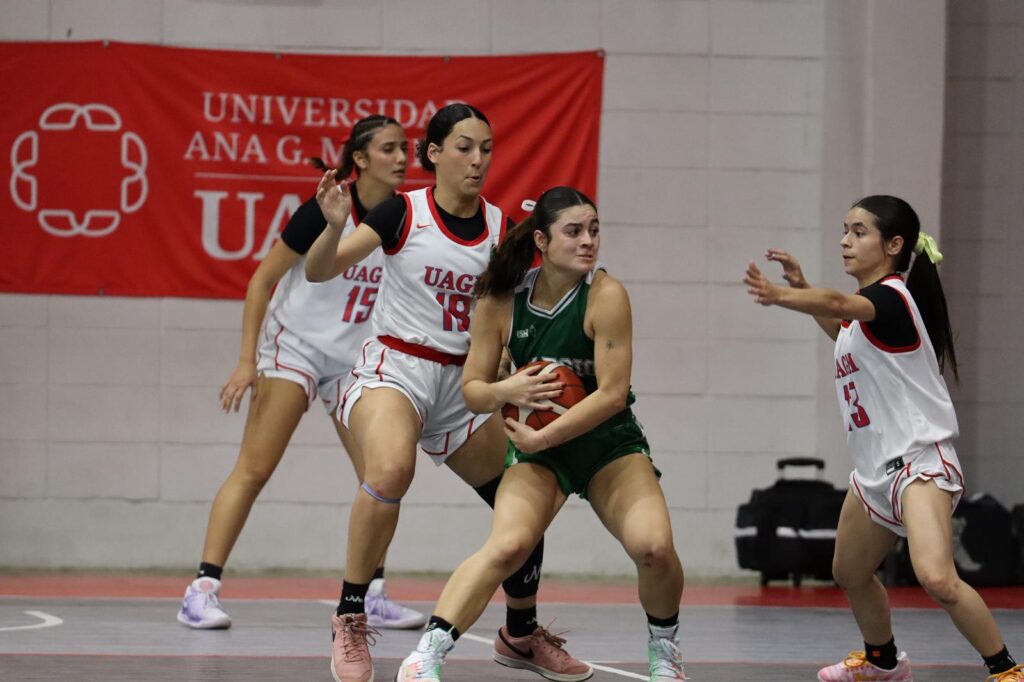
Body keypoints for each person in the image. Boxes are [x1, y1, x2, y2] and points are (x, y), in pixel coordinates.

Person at [307, 104, 589, 682]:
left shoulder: (498, 225)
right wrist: (333, 224)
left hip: (465, 383)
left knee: (526, 499)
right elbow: (319, 270)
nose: (477, 159)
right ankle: (350, 615)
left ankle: (519, 633)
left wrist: (516, 378)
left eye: (486, 148)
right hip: (397, 368)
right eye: (464, 147)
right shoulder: (400, 213)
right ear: (433, 154)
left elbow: (506, 316)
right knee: (389, 471)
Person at [395, 186, 687, 682]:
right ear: (542, 240)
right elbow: (472, 392)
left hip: (605, 445)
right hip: (537, 451)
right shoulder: (501, 302)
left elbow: (613, 395)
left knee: (654, 548)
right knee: (507, 547)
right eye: (574, 231)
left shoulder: (606, 294)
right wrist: (507, 387)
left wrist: (542, 439)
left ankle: (665, 651)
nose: (588, 240)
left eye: (594, 230)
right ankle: (425, 656)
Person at [743, 195, 1022, 682]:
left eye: (858, 231)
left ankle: (1007, 671)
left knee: (937, 577)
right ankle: (883, 662)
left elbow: (835, 303)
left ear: (893, 245)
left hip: (919, 465)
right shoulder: (866, 316)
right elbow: (840, 323)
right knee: (849, 571)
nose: (845, 240)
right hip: (875, 472)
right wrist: (802, 287)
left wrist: (780, 295)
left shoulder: (892, 297)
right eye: (844, 229)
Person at [177, 115, 425, 633]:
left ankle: (373, 591)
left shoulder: (405, 217)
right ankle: (201, 590)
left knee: (380, 477)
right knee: (256, 467)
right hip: (296, 346)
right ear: (359, 158)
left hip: (353, 359)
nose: (403, 157)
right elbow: (262, 280)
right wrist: (248, 359)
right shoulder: (326, 208)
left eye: (406, 147)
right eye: (389, 149)